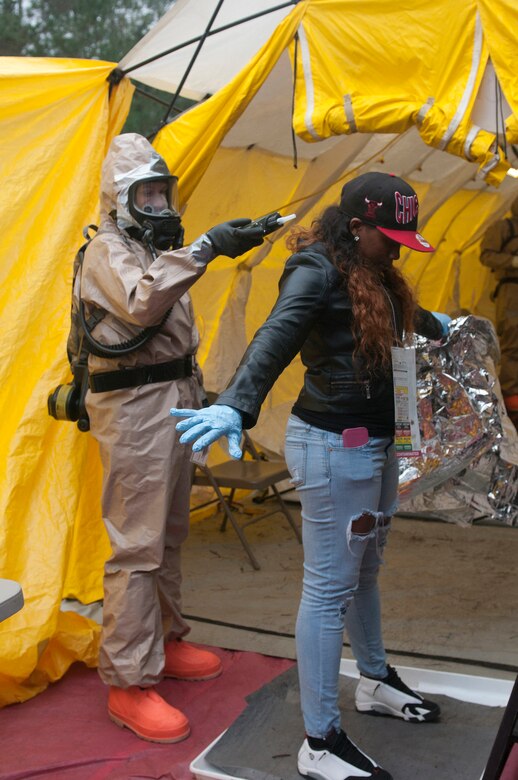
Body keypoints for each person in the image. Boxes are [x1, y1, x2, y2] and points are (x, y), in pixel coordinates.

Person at [171, 172, 450, 779]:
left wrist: (436, 325)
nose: (399, 248)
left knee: (366, 568)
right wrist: (237, 404)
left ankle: (373, 681)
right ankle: (319, 740)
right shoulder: (314, 270)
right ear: (356, 226)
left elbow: (388, 307)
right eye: (391, 236)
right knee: (329, 589)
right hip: (333, 447)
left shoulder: (370, 266)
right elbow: (277, 335)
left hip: (375, 442)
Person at [81, 132, 265, 743]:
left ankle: (164, 640)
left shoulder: (150, 247)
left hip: (174, 399)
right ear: (121, 198)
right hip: (134, 404)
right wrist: (207, 247)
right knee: (138, 544)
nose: (159, 204)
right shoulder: (108, 250)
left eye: (164, 192)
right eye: (147, 194)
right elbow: (140, 305)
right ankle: (128, 682)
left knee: (169, 531)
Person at [480, 194, 518, 429]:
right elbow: (486, 255)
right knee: (514, 343)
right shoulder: (503, 228)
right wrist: (513, 262)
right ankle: (513, 400)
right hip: (512, 292)